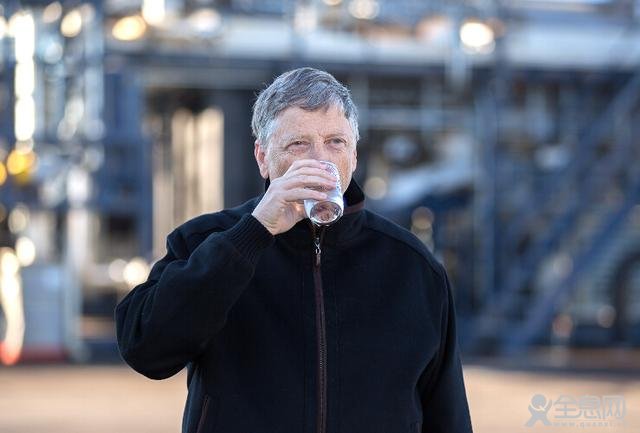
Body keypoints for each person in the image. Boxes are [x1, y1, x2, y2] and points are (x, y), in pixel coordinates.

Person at [115, 67, 473, 433]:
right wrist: (253, 234)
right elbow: (146, 349)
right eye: (298, 144)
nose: (320, 160)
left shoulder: (411, 265)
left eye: (335, 142)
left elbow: (448, 415)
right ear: (262, 157)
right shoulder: (206, 241)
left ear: (353, 156)